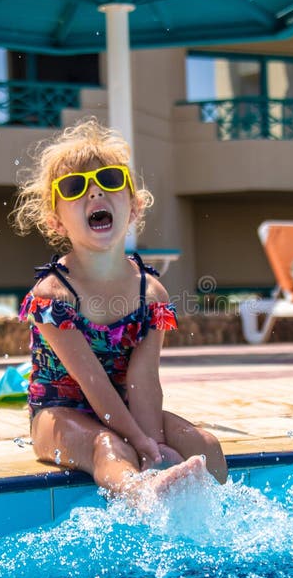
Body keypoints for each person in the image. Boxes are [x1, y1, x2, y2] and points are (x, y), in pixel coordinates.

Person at [12, 118, 227, 501]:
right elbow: (93, 382)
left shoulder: (151, 294)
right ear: (55, 220)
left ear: (134, 207)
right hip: (58, 416)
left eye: (110, 181)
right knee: (109, 447)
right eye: (75, 187)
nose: (95, 192)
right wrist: (140, 444)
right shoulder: (54, 295)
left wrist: (155, 447)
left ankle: (217, 518)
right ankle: (142, 499)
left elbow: (144, 380)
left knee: (205, 444)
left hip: (126, 408)